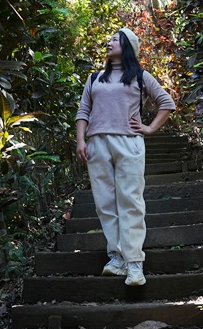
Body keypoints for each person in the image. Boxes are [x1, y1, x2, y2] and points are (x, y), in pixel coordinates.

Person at [75, 27, 176, 286]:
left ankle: (134, 264)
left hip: (129, 143)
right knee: (105, 203)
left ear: (128, 46)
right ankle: (116, 258)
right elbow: (83, 111)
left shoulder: (140, 76)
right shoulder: (94, 77)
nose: (108, 43)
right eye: (108, 39)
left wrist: (150, 128)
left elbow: (166, 102)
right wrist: (80, 141)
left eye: (115, 40)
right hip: (97, 144)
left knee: (131, 201)